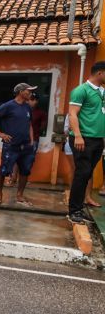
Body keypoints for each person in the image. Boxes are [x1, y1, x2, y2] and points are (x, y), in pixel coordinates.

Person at [66, 62, 105, 223]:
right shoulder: (81, 91)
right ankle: (74, 211)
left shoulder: (102, 92)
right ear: (100, 73)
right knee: (82, 173)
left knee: (87, 173)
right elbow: (72, 114)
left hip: (97, 139)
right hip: (83, 138)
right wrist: (78, 136)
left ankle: (79, 208)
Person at [0, 83, 36, 207]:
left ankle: (20, 195)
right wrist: (0, 133)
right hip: (11, 145)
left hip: (26, 146)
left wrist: (31, 140)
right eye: (28, 91)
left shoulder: (28, 107)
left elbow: (29, 124)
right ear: (21, 92)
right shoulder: (8, 106)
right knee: (3, 170)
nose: (31, 93)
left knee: (25, 171)